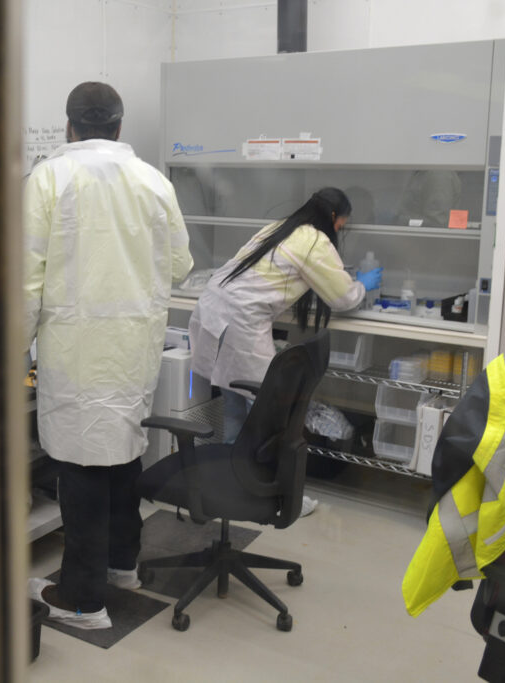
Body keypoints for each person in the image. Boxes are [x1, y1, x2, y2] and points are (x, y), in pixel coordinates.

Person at [24, 82, 193, 629]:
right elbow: (180, 268)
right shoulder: (154, 182)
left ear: (69, 126)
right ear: (119, 128)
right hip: (131, 352)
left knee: (80, 473)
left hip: (76, 355)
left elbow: (25, 282)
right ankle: (123, 566)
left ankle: (81, 600)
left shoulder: (48, 178)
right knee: (122, 456)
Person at [187, 188, 382, 515]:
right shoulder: (316, 242)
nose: (341, 231)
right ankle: (276, 494)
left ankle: (230, 482)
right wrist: (362, 283)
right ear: (334, 218)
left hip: (212, 309)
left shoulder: (281, 227)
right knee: (271, 412)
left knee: (235, 404)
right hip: (241, 322)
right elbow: (344, 298)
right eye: (343, 225)